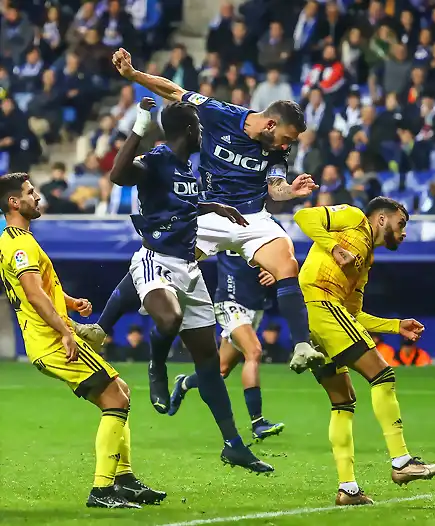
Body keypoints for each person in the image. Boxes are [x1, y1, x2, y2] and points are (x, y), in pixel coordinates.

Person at [110, 47, 324, 381]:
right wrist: (134, 75)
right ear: (270, 124)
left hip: (252, 218)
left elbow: (275, 186)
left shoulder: (276, 152)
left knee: (287, 262)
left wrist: (291, 191)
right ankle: (102, 326)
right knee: (158, 256)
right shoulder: (220, 113)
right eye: (286, 138)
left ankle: (301, 345)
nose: (286, 146)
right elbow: (174, 91)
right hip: (211, 212)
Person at [106, 97, 272, 473]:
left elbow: (178, 203)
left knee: (209, 364)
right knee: (168, 320)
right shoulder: (160, 156)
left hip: (188, 269)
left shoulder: (185, 167)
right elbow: (118, 175)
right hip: (156, 260)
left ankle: (234, 445)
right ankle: (156, 368)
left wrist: (213, 207)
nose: (205, 133)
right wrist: (139, 126)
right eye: (201, 127)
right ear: (190, 130)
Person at [0, 172, 165, 509]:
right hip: (52, 341)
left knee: (118, 396)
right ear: (14, 202)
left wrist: (70, 302)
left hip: (47, 339)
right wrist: (65, 330)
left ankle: (125, 480)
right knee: (117, 399)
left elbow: (40, 289)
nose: (38, 197)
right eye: (31, 193)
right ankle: (103, 490)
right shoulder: (19, 244)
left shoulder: (15, 240)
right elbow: (32, 293)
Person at [294, 198, 435, 506]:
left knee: (343, 401)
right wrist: (334, 248)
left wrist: (395, 325)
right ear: (381, 219)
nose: (403, 233)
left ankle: (348, 490)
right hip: (320, 302)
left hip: (316, 316)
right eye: (401, 224)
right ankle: (402, 462)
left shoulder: (366, 260)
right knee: (383, 374)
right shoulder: (352, 217)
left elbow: (353, 315)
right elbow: (303, 216)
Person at [168, 250, 285, 441]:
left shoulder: (268, 223)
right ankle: (258, 422)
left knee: (220, 370)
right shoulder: (222, 222)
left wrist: (275, 272)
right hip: (229, 302)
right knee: (254, 352)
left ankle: (184, 383)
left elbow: (283, 261)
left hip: (256, 306)